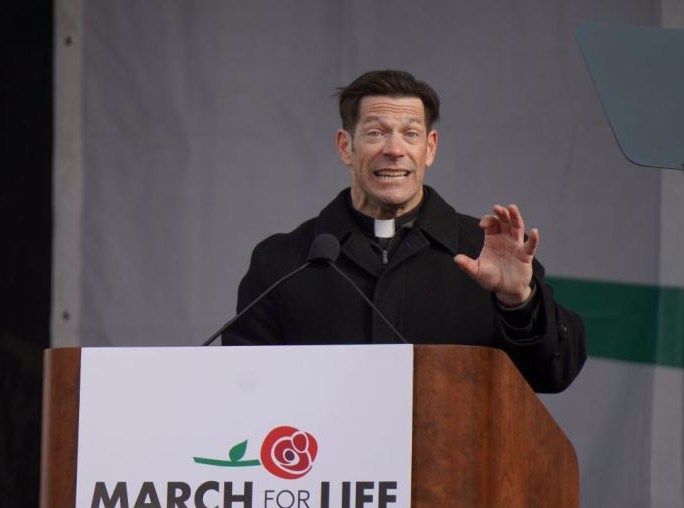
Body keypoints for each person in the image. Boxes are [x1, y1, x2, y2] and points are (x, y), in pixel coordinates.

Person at [222, 70, 585, 393]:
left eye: (410, 134)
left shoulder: (486, 252)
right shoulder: (282, 261)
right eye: (375, 133)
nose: (394, 150)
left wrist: (519, 301)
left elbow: (552, 376)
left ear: (429, 148)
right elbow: (244, 390)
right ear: (346, 147)